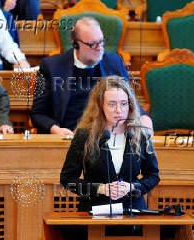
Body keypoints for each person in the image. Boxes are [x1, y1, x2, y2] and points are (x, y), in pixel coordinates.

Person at [31, 16, 152, 135]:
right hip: (69, 137)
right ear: (75, 44)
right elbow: (38, 114)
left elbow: (131, 103)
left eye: (101, 41)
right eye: (93, 44)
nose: (100, 48)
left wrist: (143, 118)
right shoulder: (51, 66)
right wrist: (55, 130)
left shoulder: (114, 62)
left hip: (107, 137)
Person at [60, 76, 160, 212]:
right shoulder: (84, 136)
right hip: (95, 211)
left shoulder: (140, 135)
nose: (119, 110)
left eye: (124, 104)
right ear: (100, 106)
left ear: (130, 105)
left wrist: (131, 187)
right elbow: (67, 179)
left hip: (132, 211)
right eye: (112, 104)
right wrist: (100, 189)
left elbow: (153, 176)